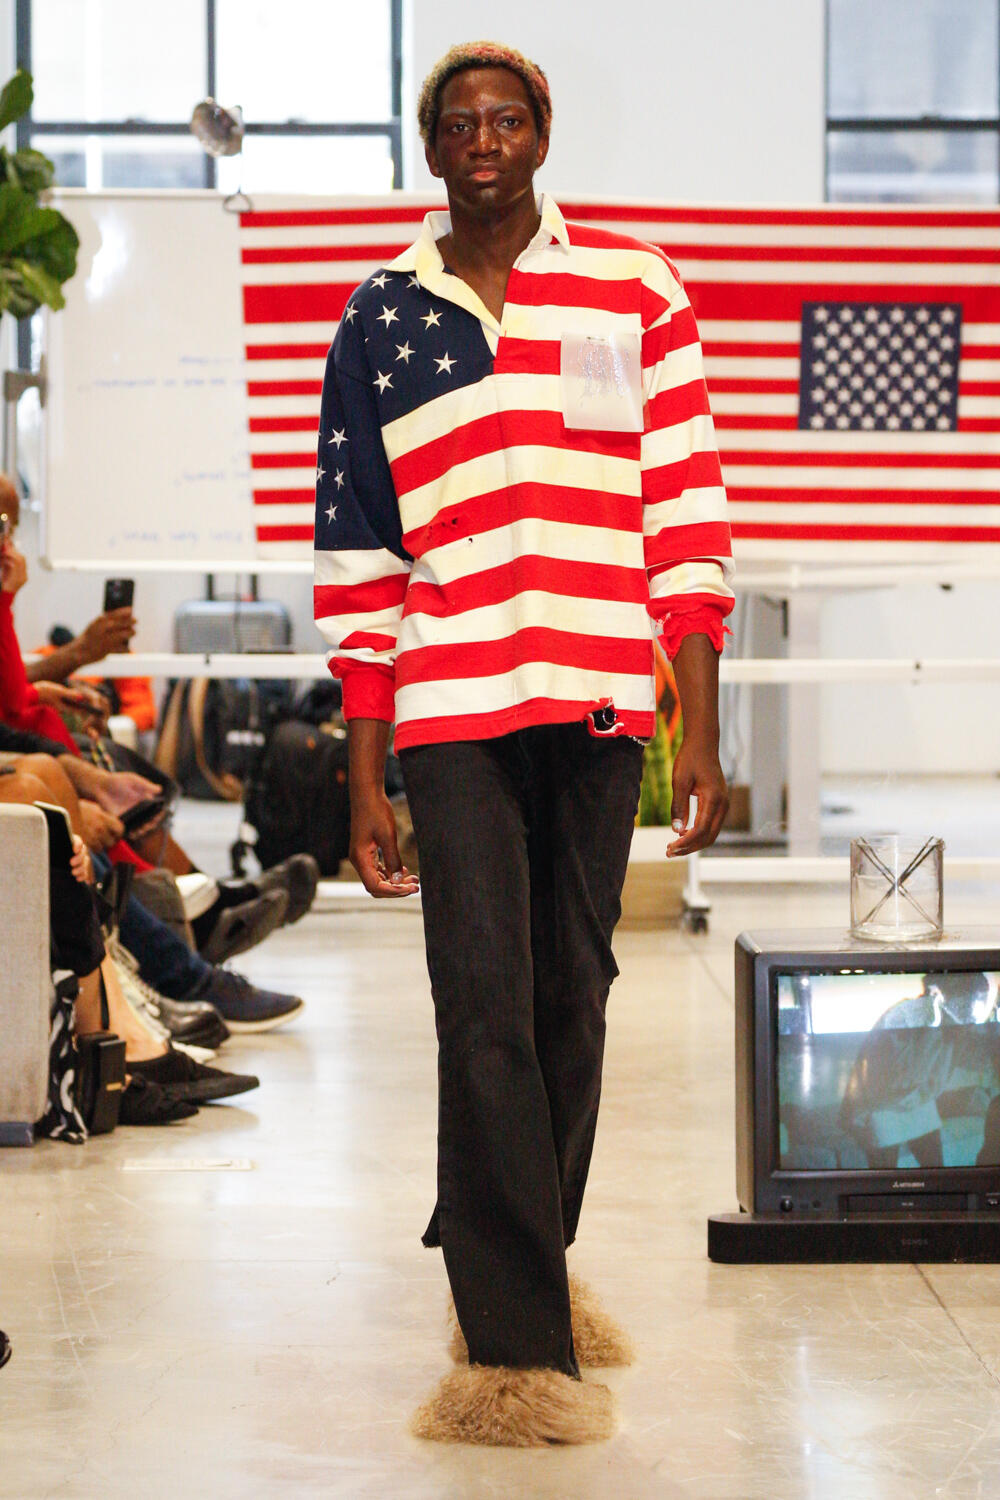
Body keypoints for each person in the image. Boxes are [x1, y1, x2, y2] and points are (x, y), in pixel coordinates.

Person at [313, 41, 733, 1445]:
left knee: (572, 1002)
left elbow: (686, 510)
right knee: (482, 1001)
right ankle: (511, 1349)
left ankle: (521, 1253)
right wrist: (364, 773)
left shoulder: (635, 285)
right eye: (458, 123)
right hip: (452, 712)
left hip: (601, 703)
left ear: (543, 137)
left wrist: (703, 727)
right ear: (431, 147)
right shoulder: (382, 316)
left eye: (507, 119)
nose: (483, 140)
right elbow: (360, 563)